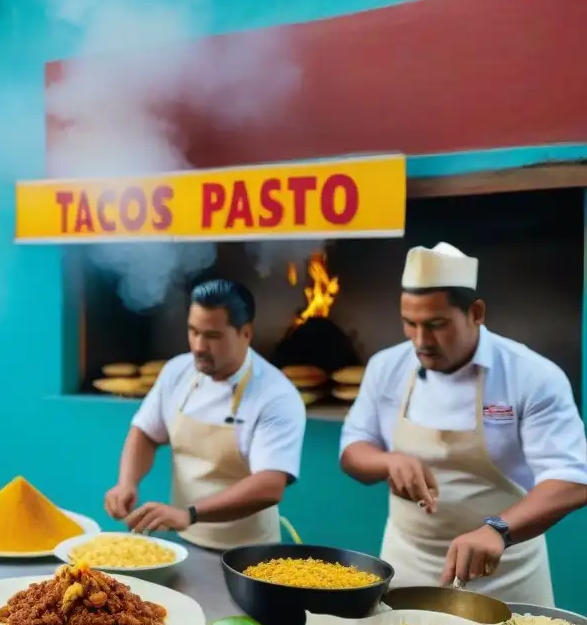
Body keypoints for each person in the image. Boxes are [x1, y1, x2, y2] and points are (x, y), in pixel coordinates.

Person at [339, 242, 587, 605]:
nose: (421, 341)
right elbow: (353, 451)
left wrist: (498, 530)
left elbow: (574, 479)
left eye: (437, 325)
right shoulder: (386, 367)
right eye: (410, 324)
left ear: (476, 312)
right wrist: (387, 461)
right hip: (408, 563)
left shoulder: (531, 375)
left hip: (506, 574)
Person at [104, 279, 307, 549]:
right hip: (183, 541)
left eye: (212, 336)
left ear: (246, 333)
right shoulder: (177, 372)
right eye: (193, 331)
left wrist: (189, 514)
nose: (198, 346)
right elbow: (146, 433)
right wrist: (127, 483)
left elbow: (270, 485)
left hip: (248, 552)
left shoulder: (276, 395)